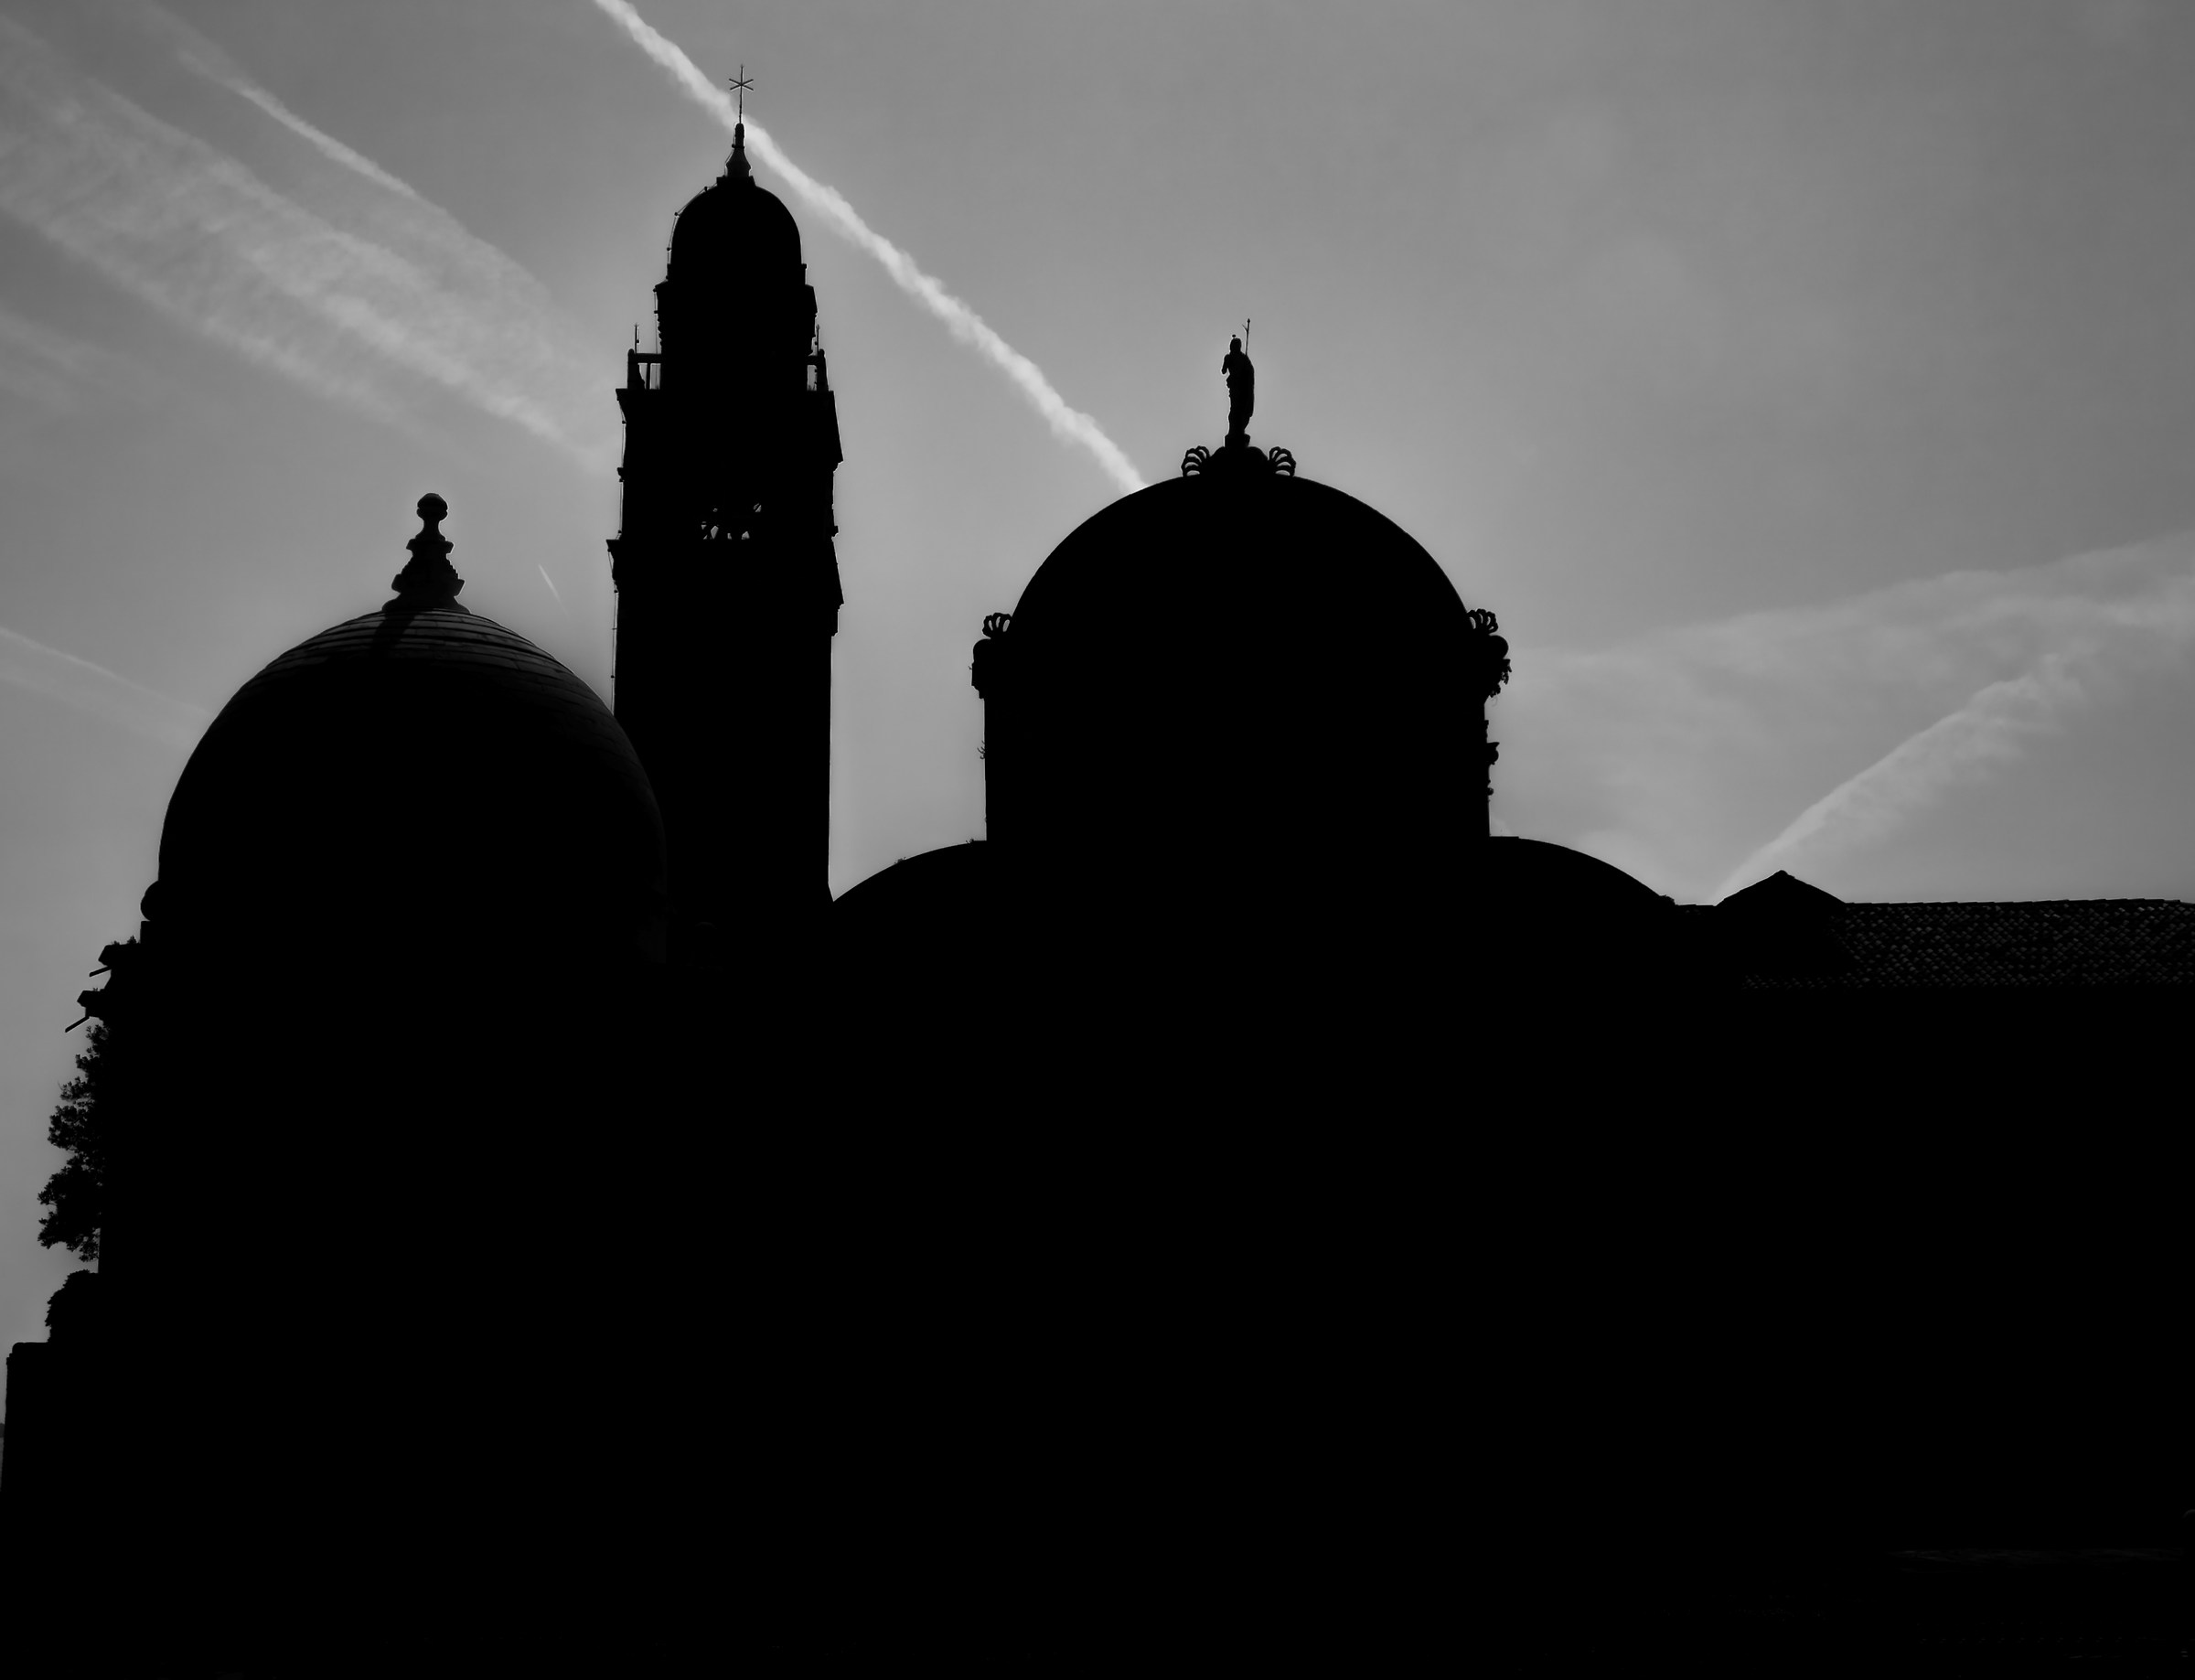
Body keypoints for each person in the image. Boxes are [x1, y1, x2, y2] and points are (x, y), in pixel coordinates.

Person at [1222, 335, 1254, 443]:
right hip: (1236, 388)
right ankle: (1234, 431)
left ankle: (1238, 431)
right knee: (1236, 410)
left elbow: (1249, 372)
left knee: (1240, 410)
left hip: (1242, 387)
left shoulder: (1243, 359)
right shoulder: (1233, 358)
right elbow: (1223, 370)